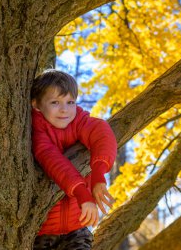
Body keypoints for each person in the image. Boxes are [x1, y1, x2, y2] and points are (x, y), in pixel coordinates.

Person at [31, 69, 117, 250]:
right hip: (41, 230)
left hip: (77, 226)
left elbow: (101, 133)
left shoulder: (78, 121)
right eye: (55, 102)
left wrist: (99, 174)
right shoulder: (38, 131)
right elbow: (53, 161)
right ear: (36, 105)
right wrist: (82, 194)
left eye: (70, 102)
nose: (64, 109)